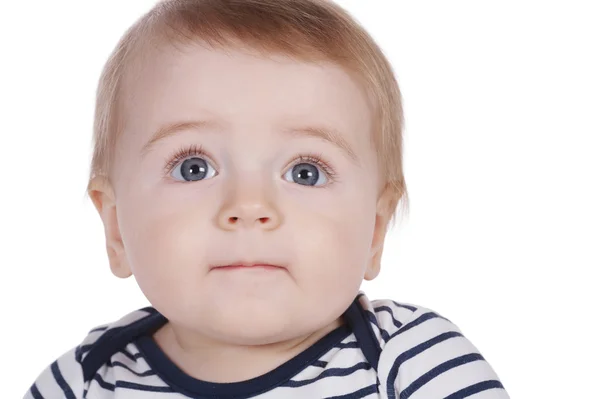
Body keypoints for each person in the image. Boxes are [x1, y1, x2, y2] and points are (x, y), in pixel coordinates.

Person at [25, 0, 509, 397]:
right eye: (194, 168)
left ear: (375, 231)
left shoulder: (412, 364)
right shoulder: (87, 379)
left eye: (306, 172)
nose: (251, 206)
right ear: (114, 227)